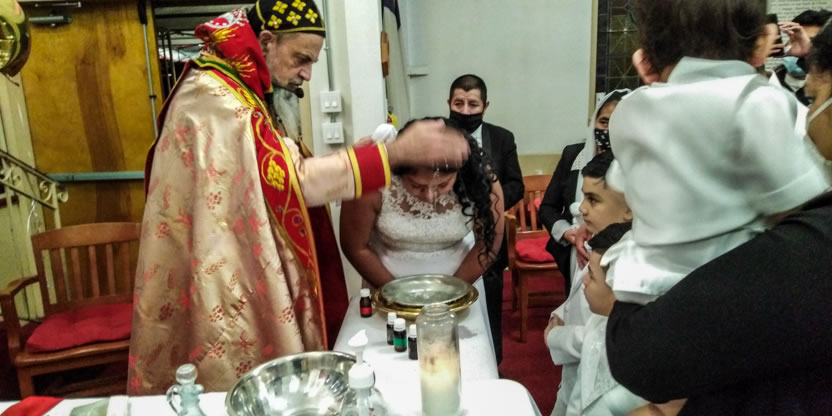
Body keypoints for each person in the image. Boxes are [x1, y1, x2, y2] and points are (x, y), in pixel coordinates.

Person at [128, 1, 470, 394]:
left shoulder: (241, 88)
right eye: (301, 59)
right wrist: (391, 155)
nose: (307, 74)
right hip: (224, 262)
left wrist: (361, 156)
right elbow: (291, 182)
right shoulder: (218, 99)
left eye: (312, 62)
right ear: (267, 42)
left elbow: (278, 171)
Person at [604, 9, 832, 416]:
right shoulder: (757, 100)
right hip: (716, 281)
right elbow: (796, 198)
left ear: (650, 53)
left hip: (640, 283)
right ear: (758, 45)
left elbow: (622, 184)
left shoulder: (632, 108)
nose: (807, 100)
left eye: (812, 98)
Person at [340, 117, 503, 287]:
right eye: (417, 185)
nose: (430, 196)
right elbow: (355, 247)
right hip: (385, 284)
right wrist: (396, 293)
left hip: (461, 281)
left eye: (443, 185)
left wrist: (453, 290)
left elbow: (489, 243)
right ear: (398, 172)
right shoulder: (374, 181)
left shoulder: (479, 178)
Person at [545, 151, 632, 416]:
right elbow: (578, 292)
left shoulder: (626, 265)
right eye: (583, 197)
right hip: (574, 372)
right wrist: (560, 313)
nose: (580, 208)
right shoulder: (597, 242)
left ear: (630, 208)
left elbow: (609, 336)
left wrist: (556, 337)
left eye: (593, 199)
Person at [447, 74, 522, 363]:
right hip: (447, 237)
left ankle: (492, 364)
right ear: (449, 103)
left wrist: (488, 205)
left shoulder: (502, 139)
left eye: (473, 104)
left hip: (488, 237)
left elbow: (516, 185)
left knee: (489, 308)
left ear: (485, 106)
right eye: (459, 103)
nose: (465, 110)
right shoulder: (435, 135)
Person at [540, 89, 629, 290]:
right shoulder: (573, 155)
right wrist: (567, 232)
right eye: (604, 122)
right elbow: (548, 207)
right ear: (593, 122)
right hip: (574, 251)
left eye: (617, 122)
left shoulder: (639, 163)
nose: (609, 129)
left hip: (617, 253)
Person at [774, 9, 832, 106]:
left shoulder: (827, 85)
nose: (802, 44)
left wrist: (811, 55)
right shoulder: (772, 78)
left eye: (811, 41)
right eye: (797, 38)